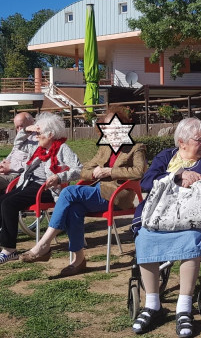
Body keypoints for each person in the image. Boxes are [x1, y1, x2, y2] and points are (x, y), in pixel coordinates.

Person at [130, 117, 201, 338]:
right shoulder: (166, 157)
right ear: (182, 142)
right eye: (200, 140)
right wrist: (177, 176)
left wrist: (197, 177)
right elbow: (146, 182)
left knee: (191, 240)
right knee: (145, 239)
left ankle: (184, 307)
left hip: (197, 218)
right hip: (162, 217)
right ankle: (152, 304)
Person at [20, 107, 147, 276]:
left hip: (117, 195)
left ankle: (44, 244)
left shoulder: (136, 148)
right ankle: (78, 260)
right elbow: (84, 170)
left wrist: (110, 172)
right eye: (107, 129)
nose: (111, 133)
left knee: (69, 192)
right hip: (97, 192)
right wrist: (94, 172)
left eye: (115, 128)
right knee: (74, 208)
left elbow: (140, 171)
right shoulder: (105, 148)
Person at [0, 112, 82, 265]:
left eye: (39, 133)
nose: (36, 136)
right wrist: (25, 130)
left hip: (47, 190)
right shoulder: (40, 148)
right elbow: (18, 144)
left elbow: (79, 169)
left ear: (50, 134)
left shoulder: (62, 148)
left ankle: (9, 249)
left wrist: (59, 177)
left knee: (8, 204)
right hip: (29, 184)